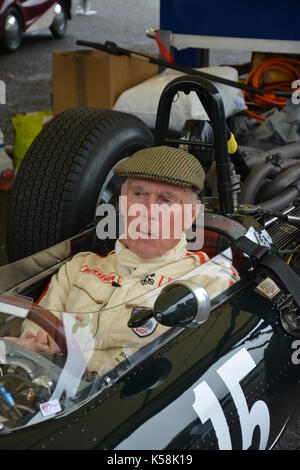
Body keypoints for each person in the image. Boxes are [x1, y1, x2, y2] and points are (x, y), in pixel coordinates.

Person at [5, 146, 239, 374]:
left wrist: (68, 355)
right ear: (123, 203)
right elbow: (34, 333)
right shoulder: (78, 267)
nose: (148, 211)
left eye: (166, 200)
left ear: (190, 214)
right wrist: (40, 346)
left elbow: (172, 368)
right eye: (139, 194)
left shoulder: (209, 281)